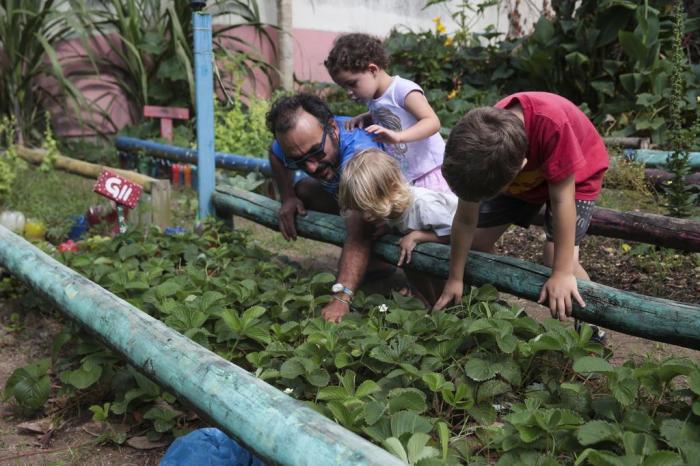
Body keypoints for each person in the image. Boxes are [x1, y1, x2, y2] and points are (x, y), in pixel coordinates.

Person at [434, 92, 609, 321]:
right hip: (527, 174)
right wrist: (455, 277)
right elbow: (466, 219)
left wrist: (562, 273)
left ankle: (592, 324)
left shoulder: (553, 125)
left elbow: (562, 200)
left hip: (578, 173)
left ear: (521, 168)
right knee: (476, 241)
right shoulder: (479, 147)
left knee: (556, 256)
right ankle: (496, 312)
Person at [267, 93, 384, 323]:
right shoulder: (295, 141)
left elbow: (359, 228)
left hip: (403, 213)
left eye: (316, 153)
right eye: (299, 161)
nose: (311, 167)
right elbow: (274, 153)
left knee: (358, 219)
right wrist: (288, 196)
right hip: (347, 197)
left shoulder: (361, 153)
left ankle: (379, 270)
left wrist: (341, 298)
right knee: (304, 189)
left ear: (333, 128)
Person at [324, 33, 450, 193]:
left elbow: (432, 122)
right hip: (408, 177)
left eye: (352, 84)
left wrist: (398, 136)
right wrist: (367, 117)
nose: (349, 92)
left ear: (372, 69)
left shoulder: (402, 90)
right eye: (344, 87)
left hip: (429, 171)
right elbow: (389, 111)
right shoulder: (373, 97)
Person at [339, 149, 457, 308]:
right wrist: (388, 228)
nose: (365, 217)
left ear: (392, 188)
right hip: (433, 250)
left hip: (458, 246)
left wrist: (417, 236)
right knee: (408, 263)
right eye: (360, 209)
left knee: (436, 275)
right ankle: (433, 306)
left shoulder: (423, 205)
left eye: (368, 208)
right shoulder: (392, 207)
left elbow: (455, 232)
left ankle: (450, 309)